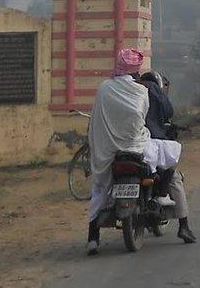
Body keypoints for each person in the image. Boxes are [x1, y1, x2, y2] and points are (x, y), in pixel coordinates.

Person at [85, 49, 182, 256]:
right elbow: (142, 118)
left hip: (108, 149)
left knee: (99, 189)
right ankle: (162, 195)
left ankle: (92, 238)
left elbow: (97, 119)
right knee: (169, 153)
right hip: (136, 146)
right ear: (135, 70)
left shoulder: (104, 88)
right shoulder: (140, 92)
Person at [138, 71, 197, 244]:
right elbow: (168, 112)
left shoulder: (130, 90)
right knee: (174, 177)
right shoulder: (156, 91)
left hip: (127, 145)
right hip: (152, 143)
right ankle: (184, 226)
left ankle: (93, 232)